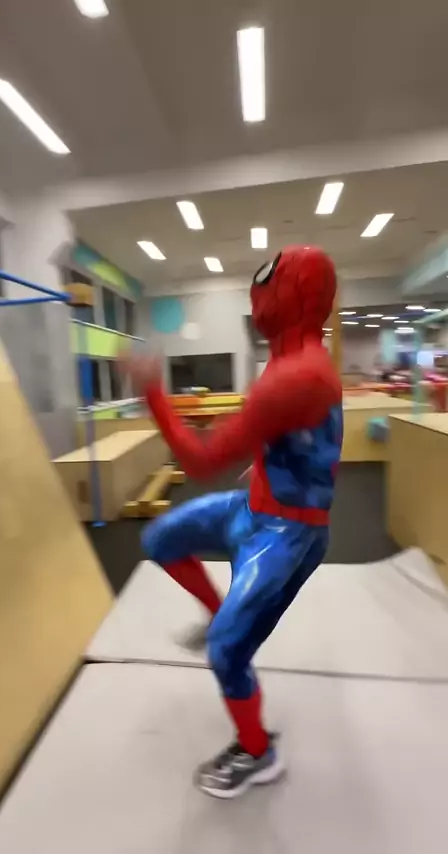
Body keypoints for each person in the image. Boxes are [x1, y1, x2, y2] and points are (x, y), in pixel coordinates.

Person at [118, 246, 343, 799]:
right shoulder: (294, 364)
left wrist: (153, 393)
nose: (255, 298)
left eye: (265, 287)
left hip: (287, 535)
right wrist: (271, 462)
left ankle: (258, 752)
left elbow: (199, 463)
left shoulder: (296, 375)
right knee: (162, 538)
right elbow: (317, 444)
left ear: (286, 295)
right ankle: (220, 613)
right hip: (254, 508)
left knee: (226, 651)